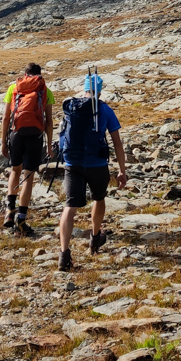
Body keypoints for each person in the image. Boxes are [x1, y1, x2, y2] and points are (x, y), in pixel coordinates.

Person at [56, 74, 127, 271]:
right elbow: (117, 142)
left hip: (72, 162)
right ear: (100, 89)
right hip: (96, 162)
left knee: (70, 207)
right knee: (98, 198)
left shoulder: (71, 107)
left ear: (85, 88)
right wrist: (122, 170)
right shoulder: (104, 109)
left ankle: (64, 254)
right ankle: (95, 238)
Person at [0, 63, 54, 237]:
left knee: (15, 170)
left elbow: (6, 117)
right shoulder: (45, 90)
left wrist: (3, 142)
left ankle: (9, 210)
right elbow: (49, 121)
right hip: (35, 136)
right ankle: (21, 218)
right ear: (39, 75)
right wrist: (50, 144)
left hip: (17, 134)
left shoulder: (14, 88)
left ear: (24, 74)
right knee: (28, 176)